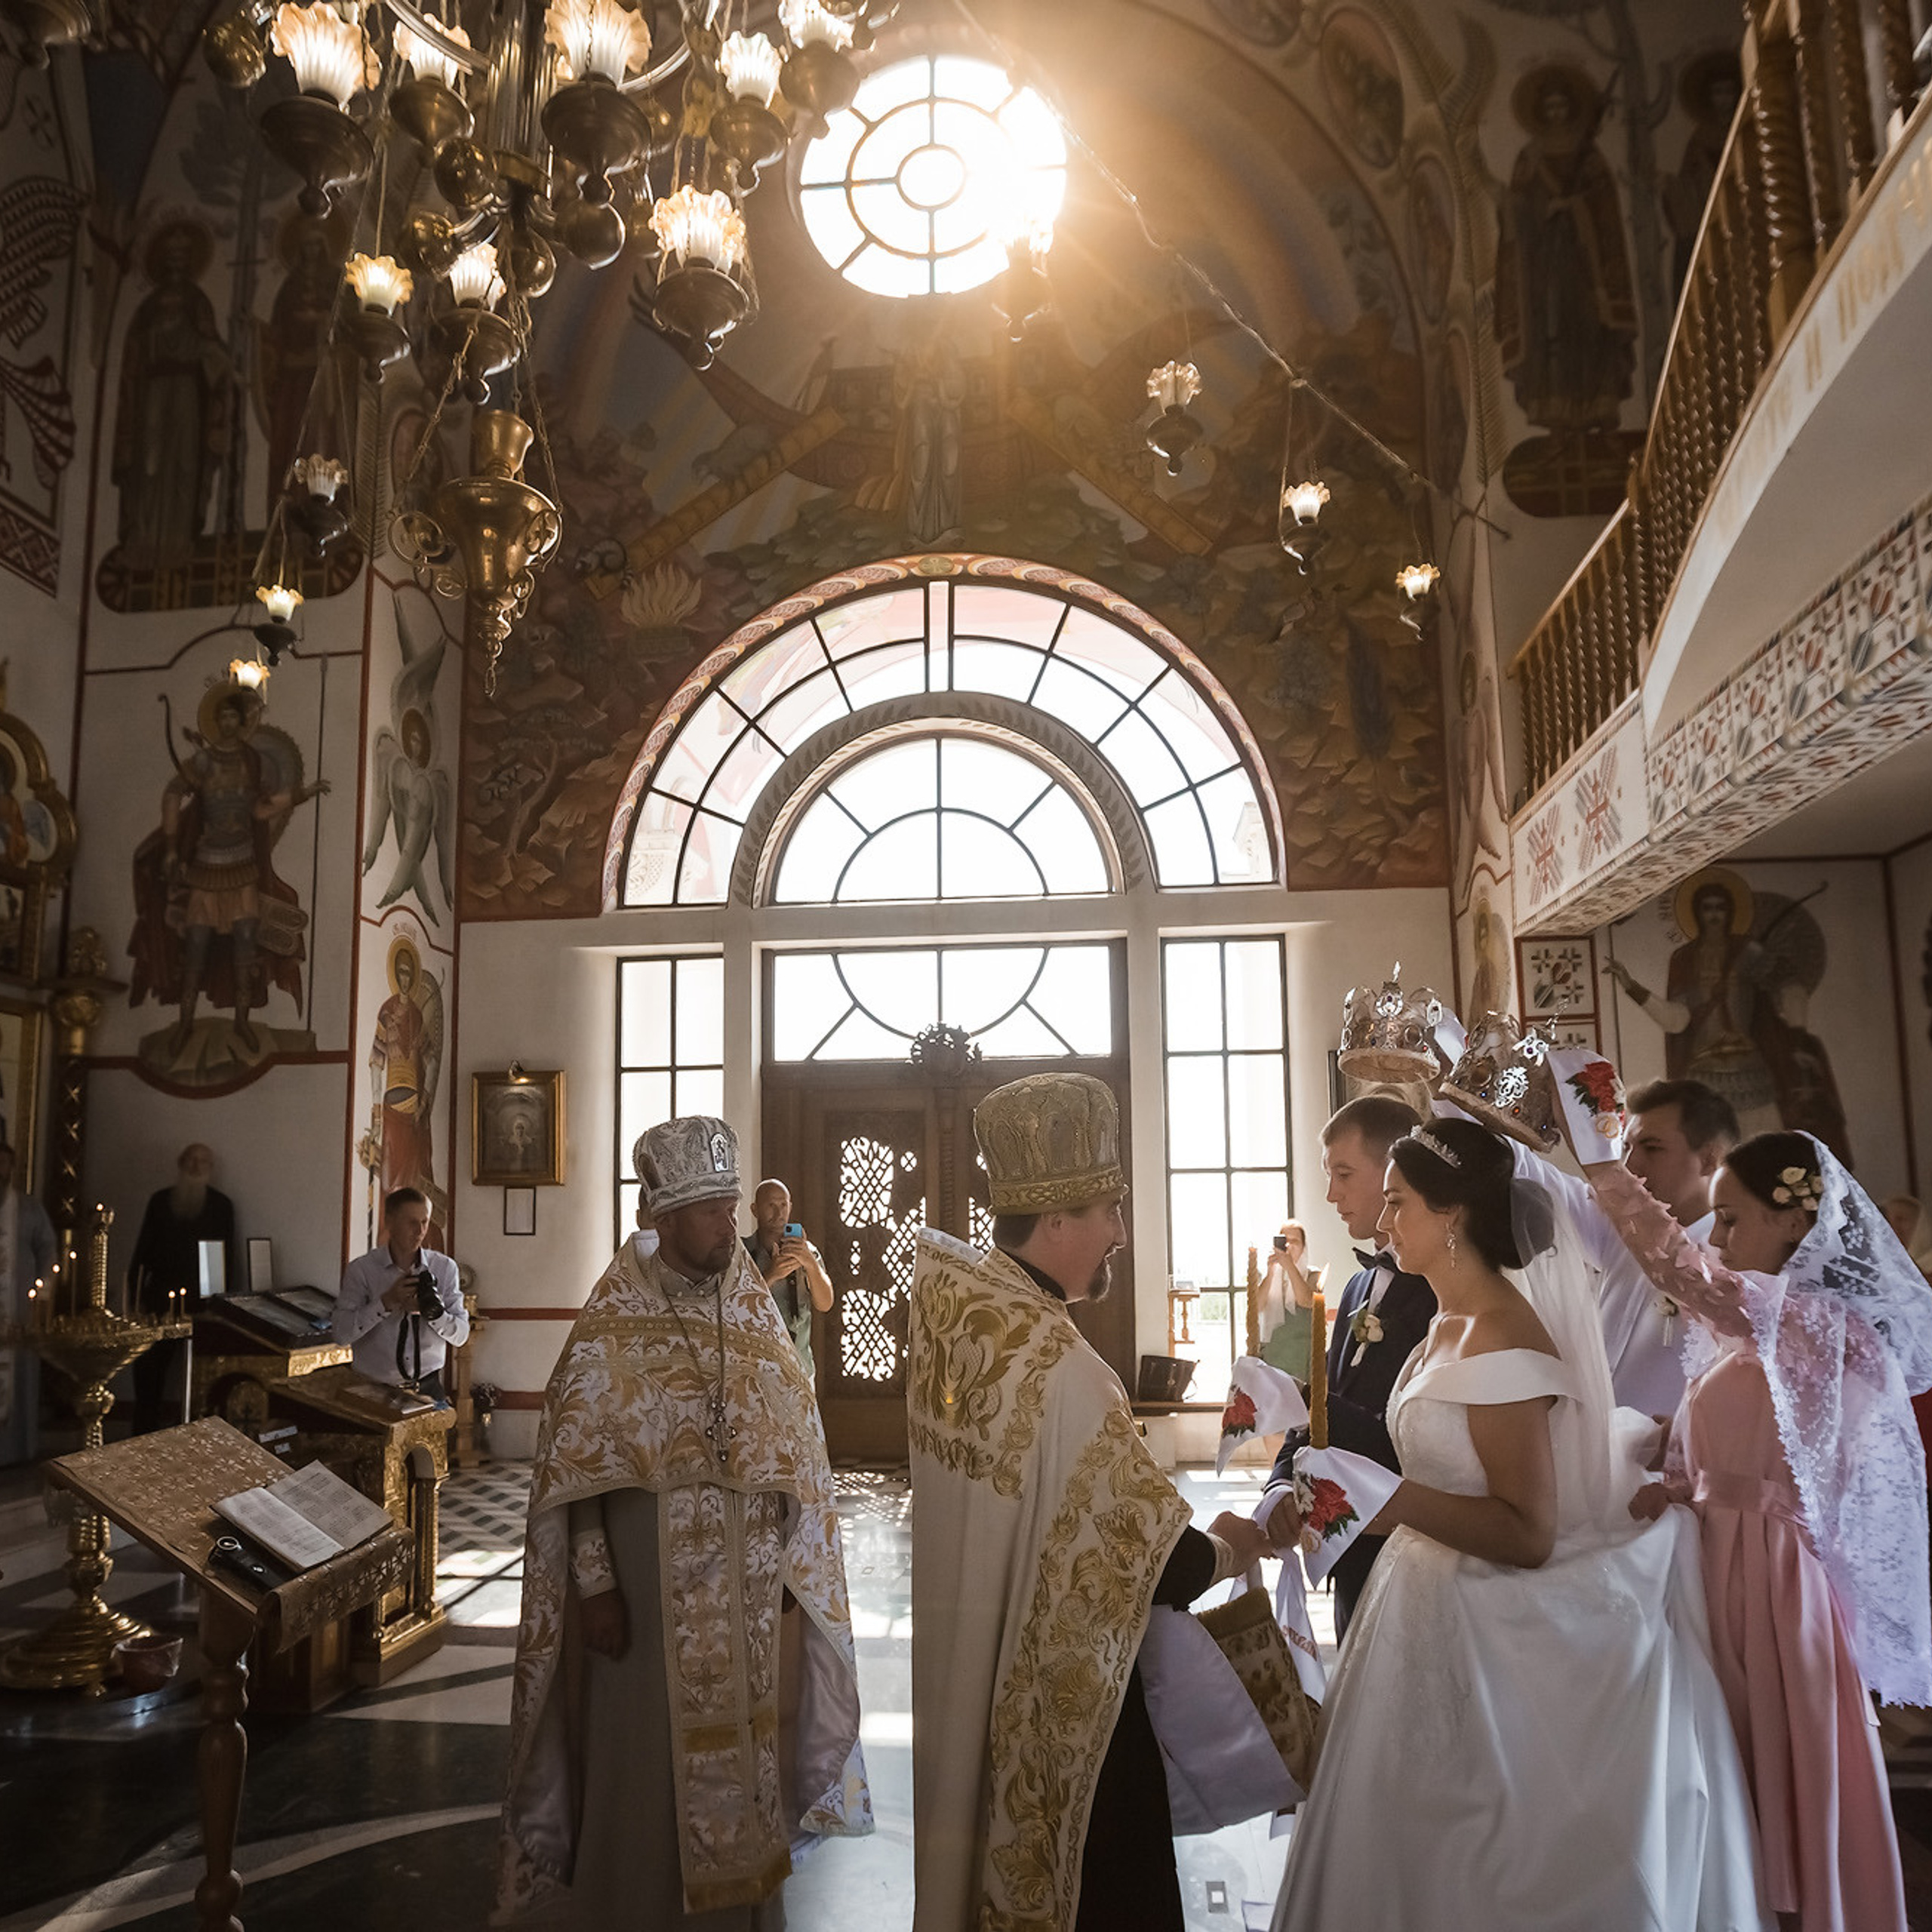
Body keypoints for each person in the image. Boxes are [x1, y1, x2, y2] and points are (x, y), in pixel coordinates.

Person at [1269, 1117, 1768, 1931]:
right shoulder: (1445, 1321)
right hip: (1423, 1592)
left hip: (1483, 1617)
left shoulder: (1501, 1336)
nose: (1384, 1221)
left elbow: (1528, 1532)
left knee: (1465, 1843)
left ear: (1452, 1214)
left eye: (1397, 1203)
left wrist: (1384, 1502)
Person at [907, 1072, 1270, 1932]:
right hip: (1059, 1706)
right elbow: (1148, 1564)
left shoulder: (959, 1316)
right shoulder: (1065, 1371)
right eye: (1109, 1207)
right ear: (1058, 1215)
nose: (1118, 1231)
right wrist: (1231, 1544)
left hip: (971, 1656)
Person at [500, 1117, 871, 1927]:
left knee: (745, 1749)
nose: (726, 1227)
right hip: (641, 1585)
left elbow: (792, 1447)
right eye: (709, 1211)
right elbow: (573, 1471)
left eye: (730, 1207)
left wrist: (785, 1567)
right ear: (662, 1217)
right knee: (643, 1754)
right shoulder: (610, 1324)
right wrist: (594, 1583)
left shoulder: (750, 1311)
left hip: (742, 1588)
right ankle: (633, 1907)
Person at [1570, 1121, 1930, 1931]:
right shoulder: (1758, 1330)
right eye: (1717, 1221)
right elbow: (1724, 1440)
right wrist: (1667, 1470)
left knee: (1769, 1752)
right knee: (1726, 1759)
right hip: (1715, 1559)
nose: (1718, 1238)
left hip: (1768, 1578)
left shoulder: (1817, 1322)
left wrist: (1599, 1159)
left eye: (1732, 1220)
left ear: (1795, 1223)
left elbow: (1673, 1265)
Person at [1261, 1094, 1431, 1636]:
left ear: (1394, 1171)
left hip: (1410, 1551)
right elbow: (1318, 1404)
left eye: (1344, 1174)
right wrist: (1282, 1485)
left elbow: (1419, 1436)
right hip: (1347, 1553)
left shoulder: (1440, 1294)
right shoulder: (1358, 1285)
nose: (1331, 1194)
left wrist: (1306, 1397)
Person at [1526, 1076, 1738, 1418]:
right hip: (1592, 1448)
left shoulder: (1738, 1259)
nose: (1631, 1166)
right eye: (1627, 1149)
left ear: (1710, 1159)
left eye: (1652, 1148)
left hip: (1671, 1462)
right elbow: (1529, 1175)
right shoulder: (1615, 1226)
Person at [127, 1143, 238, 1433]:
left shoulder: (221, 1206)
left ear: (211, 1169)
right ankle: (142, 1434)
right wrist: (134, 1299)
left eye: (203, 1161)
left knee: (203, 1375)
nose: (196, 1166)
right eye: (191, 1160)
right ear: (181, 1163)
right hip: (159, 1302)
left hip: (202, 1305)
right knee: (149, 1371)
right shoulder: (160, 1201)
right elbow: (142, 1254)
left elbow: (227, 1259)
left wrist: (225, 1308)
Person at [332, 1187, 466, 1399]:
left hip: (428, 1389)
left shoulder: (444, 1268)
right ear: (390, 1222)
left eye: (425, 1222)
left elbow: (461, 1335)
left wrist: (433, 1314)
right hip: (373, 1390)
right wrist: (385, 1303)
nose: (420, 1231)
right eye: (412, 1222)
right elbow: (341, 1334)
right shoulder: (362, 1270)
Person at [743, 1177, 833, 1382]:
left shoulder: (807, 1253)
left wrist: (810, 1264)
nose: (778, 1213)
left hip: (800, 1367)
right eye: (771, 1206)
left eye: (783, 1205)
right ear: (755, 1210)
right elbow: (735, 1306)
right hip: (756, 1370)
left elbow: (825, 1303)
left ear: (790, 1207)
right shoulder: (743, 1254)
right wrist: (771, 1275)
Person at [0, 1142, 55, 1466]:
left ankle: (16, 1451)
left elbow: (48, 1250)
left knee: (18, 1375)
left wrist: (43, 1291)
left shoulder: (29, 1210)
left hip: (19, 1308)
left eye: (4, 1165)